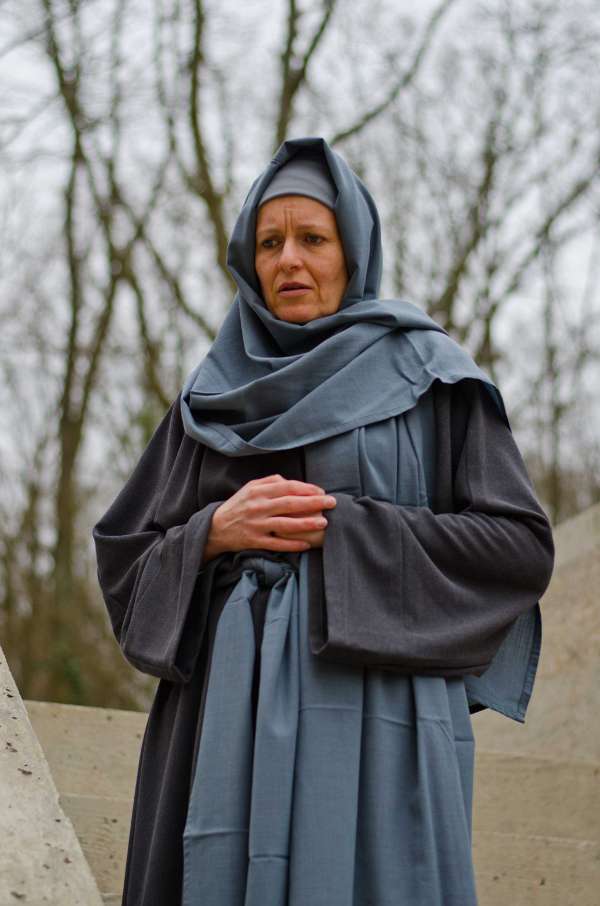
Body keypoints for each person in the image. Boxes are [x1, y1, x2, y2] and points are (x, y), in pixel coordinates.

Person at [93, 136, 554, 906]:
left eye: (313, 238)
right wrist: (212, 533)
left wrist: (344, 532)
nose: (290, 261)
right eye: (269, 242)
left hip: (383, 720)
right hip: (218, 723)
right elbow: (124, 560)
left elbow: (518, 548)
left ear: (353, 251)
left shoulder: (430, 377)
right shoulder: (207, 400)